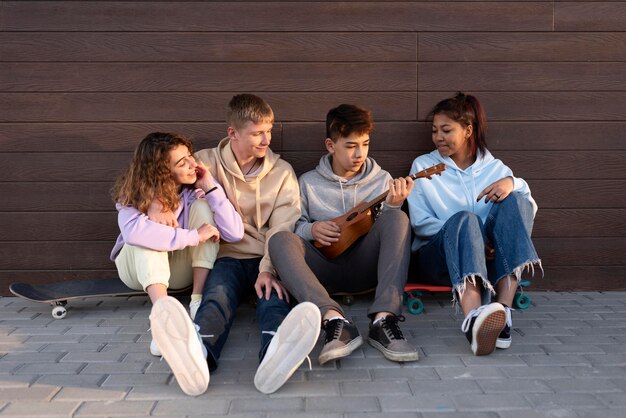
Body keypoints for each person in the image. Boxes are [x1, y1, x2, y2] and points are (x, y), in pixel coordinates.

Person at [187, 93, 320, 395]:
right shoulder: (205, 163)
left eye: (269, 130)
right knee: (217, 297)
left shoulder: (282, 172)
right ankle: (199, 356)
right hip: (226, 256)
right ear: (233, 133)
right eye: (258, 132)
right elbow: (164, 184)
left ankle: (275, 353)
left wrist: (269, 269)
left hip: (267, 257)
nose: (266, 139)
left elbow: (283, 228)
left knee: (273, 301)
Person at [269, 104, 419, 365]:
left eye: (365, 144)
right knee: (280, 240)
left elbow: (388, 234)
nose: (359, 153)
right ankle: (334, 321)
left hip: (365, 266)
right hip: (322, 270)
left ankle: (384, 320)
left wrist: (394, 206)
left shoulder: (382, 180)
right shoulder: (307, 182)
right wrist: (311, 228)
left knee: (399, 218)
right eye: (350, 146)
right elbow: (297, 224)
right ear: (330, 145)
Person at [407, 92, 542, 356]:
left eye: (446, 130)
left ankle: (502, 314)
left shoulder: (495, 168)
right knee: (465, 220)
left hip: (489, 261)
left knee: (517, 201)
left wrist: (513, 182)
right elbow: (421, 224)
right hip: (439, 259)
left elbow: (526, 213)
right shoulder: (423, 166)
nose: (438, 137)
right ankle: (473, 320)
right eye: (435, 131)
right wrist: (474, 238)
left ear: (468, 130)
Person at [110, 131, 244, 395]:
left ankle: (196, 303)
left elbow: (235, 233)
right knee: (146, 237)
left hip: (178, 271)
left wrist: (211, 186)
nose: (192, 164)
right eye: (181, 162)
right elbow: (135, 234)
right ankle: (164, 321)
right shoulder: (132, 197)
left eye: (189, 156)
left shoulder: (193, 193)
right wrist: (193, 236)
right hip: (135, 270)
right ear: (162, 171)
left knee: (205, 212)